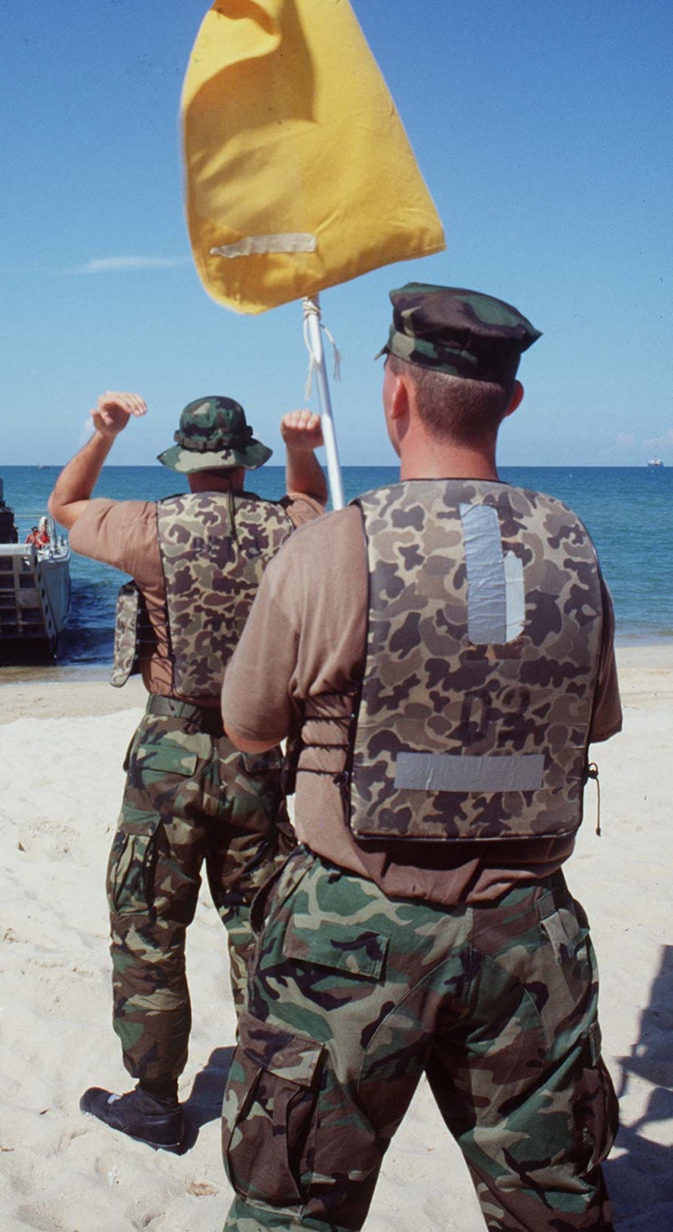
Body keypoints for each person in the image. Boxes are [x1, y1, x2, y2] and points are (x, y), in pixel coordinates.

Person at [219, 284, 622, 1231]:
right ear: (511, 403)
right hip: (525, 928)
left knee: (292, 1208)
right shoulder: (573, 547)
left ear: (394, 397)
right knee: (554, 1208)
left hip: (349, 929)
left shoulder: (328, 549)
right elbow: (594, 723)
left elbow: (245, 726)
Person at [49, 392, 327, 1152]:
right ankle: (271, 1096)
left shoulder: (150, 527)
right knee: (259, 923)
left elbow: (64, 504)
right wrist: (301, 447)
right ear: (243, 463)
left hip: (169, 753)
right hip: (256, 749)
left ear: (185, 461)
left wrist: (103, 431)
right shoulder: (286, 528)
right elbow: (311, 502)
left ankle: (154, 1100)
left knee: (148, 927)